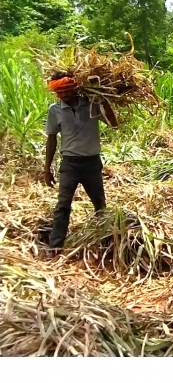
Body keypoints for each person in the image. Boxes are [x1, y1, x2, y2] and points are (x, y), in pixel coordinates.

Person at [42, 72, 118, 252]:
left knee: (99, 204)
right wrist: (47, 169)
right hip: (70, 164)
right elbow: (51, 139)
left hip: (92, 163)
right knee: (63, 205)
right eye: (60, 93)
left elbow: (114, 124)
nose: (64, 96)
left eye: (66, 91)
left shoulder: (91, 104)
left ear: (75, 88)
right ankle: (55, 246)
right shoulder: (55, 110)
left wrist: (101, 96)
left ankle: (105, 241)